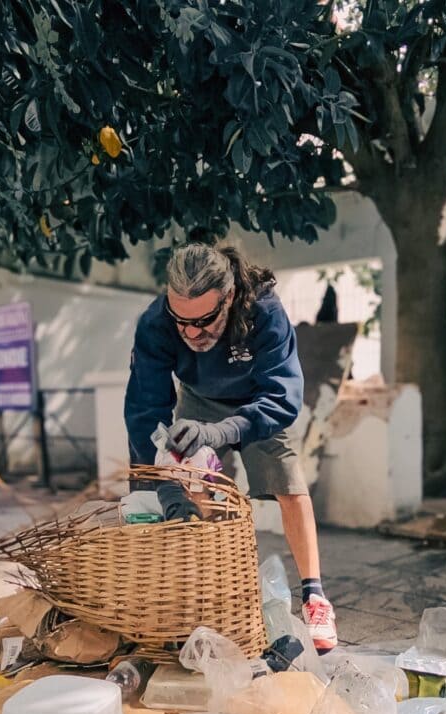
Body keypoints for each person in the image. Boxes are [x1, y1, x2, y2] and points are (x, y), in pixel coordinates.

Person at [123, 244, 338, 651]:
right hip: (198, 398)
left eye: (204, 321)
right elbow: (144, 406)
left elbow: (283, 398)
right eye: (181, 322)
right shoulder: (155, 322)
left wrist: (222, 432)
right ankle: (201, 592)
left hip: (259, 403)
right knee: (189, 482)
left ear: (230, 297)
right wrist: (159, 471)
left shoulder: (265, 312)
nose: (191, 333)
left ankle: (315, 596)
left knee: (288, 481)